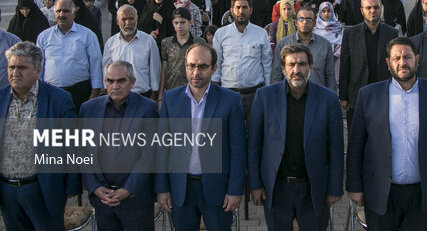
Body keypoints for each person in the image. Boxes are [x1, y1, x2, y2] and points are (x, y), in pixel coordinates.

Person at [347, 37, 427, 230]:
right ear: (388, 63)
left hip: (423, 192)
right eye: (396, 58)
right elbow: (357, 144)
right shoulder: (368, 95)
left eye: (407, 57)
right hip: (381, 191)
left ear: (417, 59)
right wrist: (354, 186)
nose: (402, 62)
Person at [249, 44, 344, 230]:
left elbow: (336, 148)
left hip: (313, 188)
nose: (296, 70)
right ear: (283, 68)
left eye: (302, 64)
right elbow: (254, 145)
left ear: (311, 66)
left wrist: (334, 188)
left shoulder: (329, 99)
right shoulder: (264, 97)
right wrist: (255, 185)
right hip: (277, 189)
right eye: (291, 64)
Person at [155, 44, 246, 231]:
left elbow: (238, 150)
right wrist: (162, 188)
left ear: (214, 68)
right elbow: (162, 148)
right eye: (191, 66)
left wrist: (235, 190)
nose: (196, 72)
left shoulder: (230, 101)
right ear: (185, 67)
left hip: (217, 189)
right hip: (181, 189)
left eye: (202, 67)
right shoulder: (171, 99)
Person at [0, 42, 82, 231]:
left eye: (22, 67)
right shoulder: (1, 97)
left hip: (42, 188)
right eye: (11, 67)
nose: (15, 72)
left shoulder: (59, 99)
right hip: (7, 190)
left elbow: (73, 146)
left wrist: (72, 186)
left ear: (37, 70)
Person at [79, 60, 158, 231]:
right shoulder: (88, 109)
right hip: (103, 200)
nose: (115, 86)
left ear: (132, 82)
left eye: (121, 80)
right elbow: (83, 153)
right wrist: (95, 187)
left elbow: (149, 155)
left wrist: (128, 189)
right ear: (104, 82)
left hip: (135, 200)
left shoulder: (148, 109)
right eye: (110, 81)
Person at [339, 0, 398, 129]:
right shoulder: (350, 34)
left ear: (381, 8)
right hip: (357, 95)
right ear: (362, 10)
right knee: (356, 138)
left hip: (383, 95)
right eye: (368, 7)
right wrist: (343, 96)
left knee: (381, 139)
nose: (373, 11)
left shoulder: (391, 33)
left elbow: (395, 66)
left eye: (376, 7)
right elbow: (345, 66)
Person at [212, 0, 272, 119]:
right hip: (228, 92)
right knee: (229, 132)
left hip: (254, 93)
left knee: (254, 132)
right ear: (231, 10)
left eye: (244, 7)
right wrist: (216, 89)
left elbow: (267, 64)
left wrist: (267, 91)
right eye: (238, 7)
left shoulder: (261, 34)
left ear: (251, 10)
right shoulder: (221, 34)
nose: (241, 11)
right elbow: (216, 63)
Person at [36, 0, 103, 110]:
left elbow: (96, 64)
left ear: (74, 13)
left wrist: (95, 93)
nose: (61, 14)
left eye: (66, 11)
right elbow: (39, 67)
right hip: (51, 92)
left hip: (80, 92)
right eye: (58, 11)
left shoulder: (87, 35)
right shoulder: (44, 37)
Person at [270, 5, 336, 90]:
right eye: (301, 19)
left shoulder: (325, 45)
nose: (305, 22)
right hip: (290, 98)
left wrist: (331, 100)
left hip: (318, 96)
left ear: (314, 23)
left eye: (309, 19)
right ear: (296, 22)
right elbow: (276, 75)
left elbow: (330, 76)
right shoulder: (283, 44)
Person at [102, 5, 161, 99]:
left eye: (131, 19)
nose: (128, 23)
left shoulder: (149, 41)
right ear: (117, 21)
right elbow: (106, 71)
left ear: (137, 19)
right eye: (124, 19)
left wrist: (153, 97)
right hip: (117, 97)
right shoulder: (111, 43)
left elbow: (155, 72)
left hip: (142, 96)